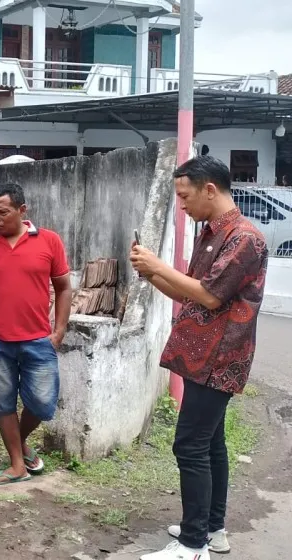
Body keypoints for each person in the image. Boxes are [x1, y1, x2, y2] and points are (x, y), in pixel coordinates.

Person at [130, 156, 268, 560]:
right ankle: (213, 529)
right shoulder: (210, 233)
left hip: (221, 357)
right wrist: (151, 272)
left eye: (184, 196)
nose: (182, 205)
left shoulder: (245, 238)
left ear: (210, 189)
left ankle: (192, 545)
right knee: (210, 445)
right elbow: (191, 292)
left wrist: (158, 265)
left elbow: (209, 295)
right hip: (199, 355)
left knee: (190, 446)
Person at [0, 183, 72, 486]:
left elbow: (63, 288)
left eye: (3, 212)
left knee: (42, 404)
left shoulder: (49, 241)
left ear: (23, 210)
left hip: (38, 340)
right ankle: (16, 464)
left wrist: (60, 329)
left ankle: (19, 444)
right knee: (3, 404)